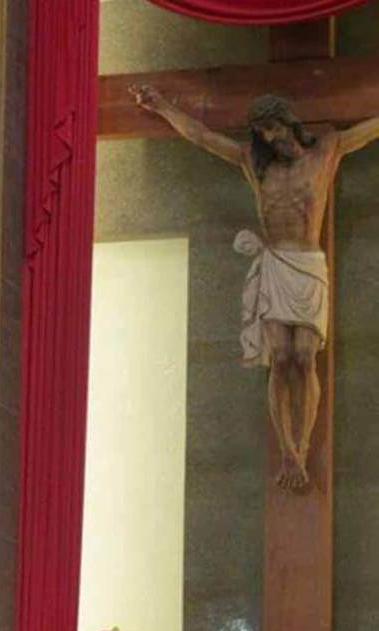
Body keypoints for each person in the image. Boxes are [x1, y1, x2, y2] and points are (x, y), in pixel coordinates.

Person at [131, 85, 379, 492]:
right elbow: (202, 137)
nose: (268, 137)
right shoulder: (254, 163)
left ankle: (303, 444)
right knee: (280, 357)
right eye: (262, 131)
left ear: (289, 123)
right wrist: (161, 107)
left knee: (304, 356)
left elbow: (369, 131)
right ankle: (288, 452)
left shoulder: (325, 152)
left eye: (272, 128)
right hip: (275, 264)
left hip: (308, 264)